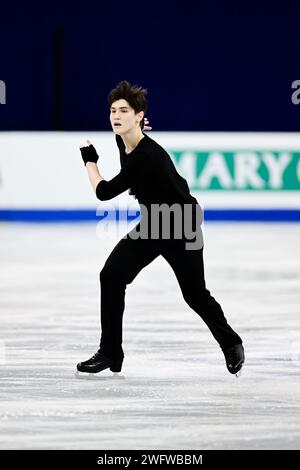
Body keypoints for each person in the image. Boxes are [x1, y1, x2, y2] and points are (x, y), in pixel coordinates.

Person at [77, 80, 244, 376]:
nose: (116, 116)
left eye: (124, 110)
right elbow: (130, 138)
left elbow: (103, 192)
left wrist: (90, 162)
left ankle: (231, 344)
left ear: (139, 114)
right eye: (113, 110)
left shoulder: (145, 156)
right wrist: (134, 127)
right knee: (112, 276)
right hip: (154, 223)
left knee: (195, 295)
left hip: (181, 224)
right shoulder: (125, 138)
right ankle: (110, 352)